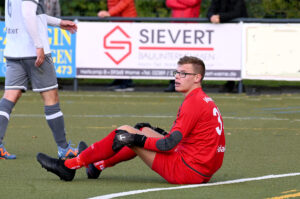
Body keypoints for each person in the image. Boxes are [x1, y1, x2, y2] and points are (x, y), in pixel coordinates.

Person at [37, 56, 226, 184]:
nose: (177, 77)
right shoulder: (203, 99)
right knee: (141, 130)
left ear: (197, 77)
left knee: (125, 132)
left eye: (183, 74)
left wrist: (136, 140)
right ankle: (96, 165)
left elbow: (169, 144)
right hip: (200, 168)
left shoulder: (193, 103)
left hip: (187, 171)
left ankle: (69, 166)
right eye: (176, 73)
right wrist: (142, 136)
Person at [1, 0, 79, 159]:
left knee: (9, 97)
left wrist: (58, 23)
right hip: (33, 52)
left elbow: (33, 14)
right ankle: (64, 148)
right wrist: (39, 45)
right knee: (51, 97)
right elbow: (28, 13)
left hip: (14, 51)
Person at [207, 0, 248, 93]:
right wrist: (211, 17)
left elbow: (237, 13)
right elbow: (210, 11)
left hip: (239, 32)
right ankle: (230, 83)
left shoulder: (239, 2)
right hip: (224, 34)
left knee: (239, 57)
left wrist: (220, 17)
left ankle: (239, 84)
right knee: (228, 57)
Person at [98, 0, 137, 92]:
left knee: (125, 53)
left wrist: (109, 13)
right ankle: (120, 79)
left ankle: (127, 82)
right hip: (117, 21)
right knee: (117, 53)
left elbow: (125, 2)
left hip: (127, 21)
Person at [164, 0, 202, 92]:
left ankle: (191, 83)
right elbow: (169, 2)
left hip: (190, 26)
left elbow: (193, 2)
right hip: (175, 25)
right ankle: (174, 82)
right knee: (175, 55)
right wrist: (184, 5)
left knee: (189, 56)